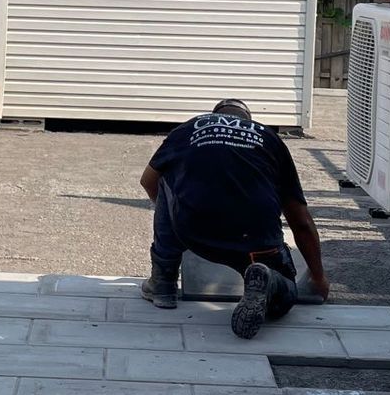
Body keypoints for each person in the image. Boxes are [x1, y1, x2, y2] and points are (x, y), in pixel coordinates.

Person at [138, 99, 329, 339]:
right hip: (256, 243)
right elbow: (299, 219)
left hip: (195, 231)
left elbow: (147, 182)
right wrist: (318, 277)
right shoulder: (270, 139)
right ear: (248, 119)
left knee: (165, 178)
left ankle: (163, 283)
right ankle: (270, 282)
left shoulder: (189, 128)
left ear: (214, 114)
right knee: (285, 288)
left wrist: (177, 219)